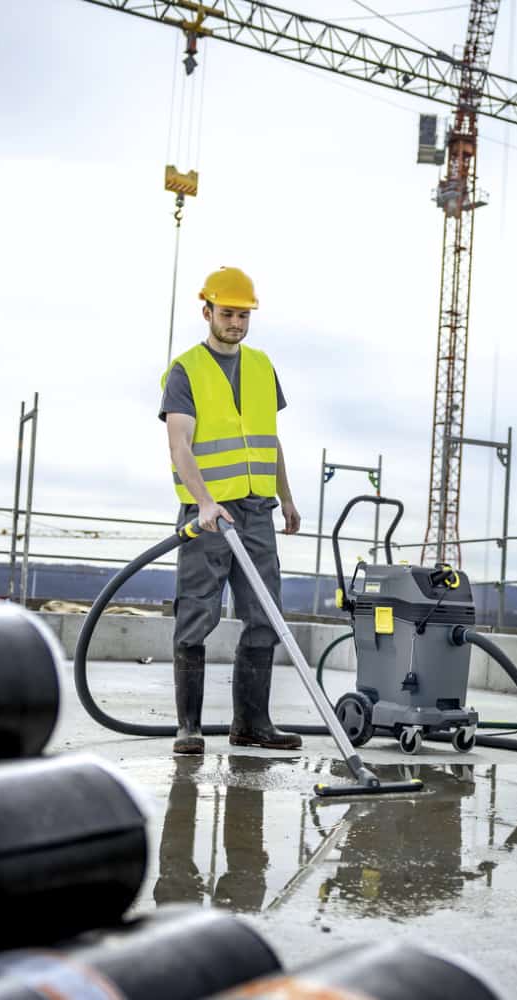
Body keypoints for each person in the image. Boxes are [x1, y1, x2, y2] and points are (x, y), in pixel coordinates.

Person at [159, 266, 302, 755]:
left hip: (257, 510)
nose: (236, 323)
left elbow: (269, 440)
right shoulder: (186, 370)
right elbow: (180, 444)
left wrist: (286, 496)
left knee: (265, 615)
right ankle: (189, 728)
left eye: (243, 315)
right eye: (227, 314)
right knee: (197, 613)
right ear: (207, 312)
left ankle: (252, 725)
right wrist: (203, 502)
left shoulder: (261, 366)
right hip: (208, 514)